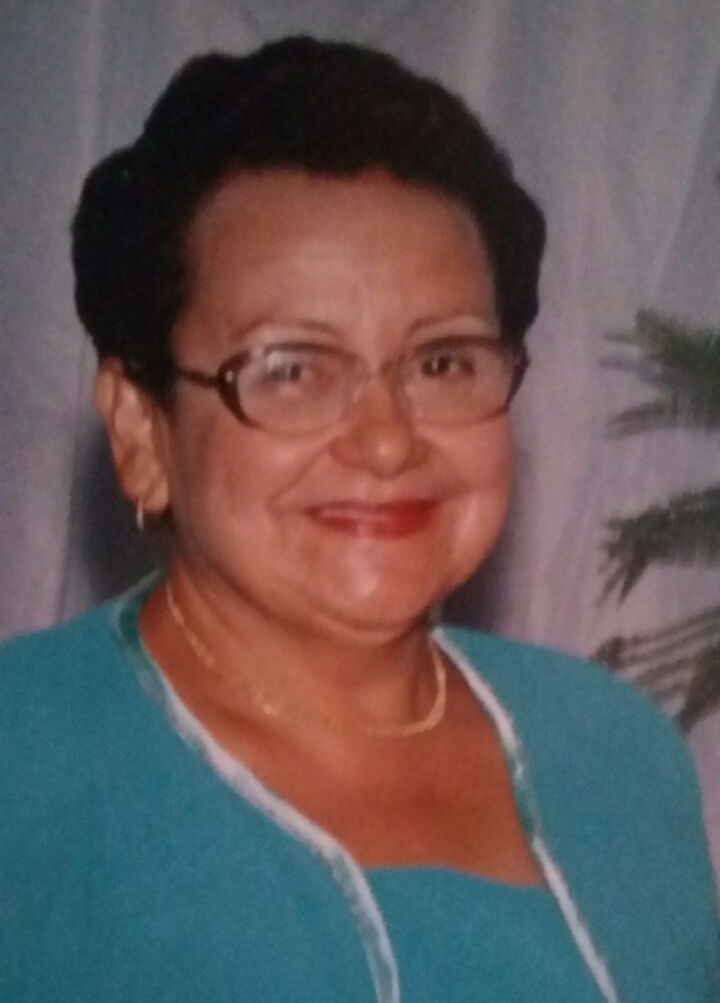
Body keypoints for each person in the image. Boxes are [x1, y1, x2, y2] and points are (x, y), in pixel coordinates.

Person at [1, 36, 717, 1003]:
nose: (386, 441)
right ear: (141, 427)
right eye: (292, 368)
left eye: (443, 362)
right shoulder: (24, 763)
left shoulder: (615, 750)